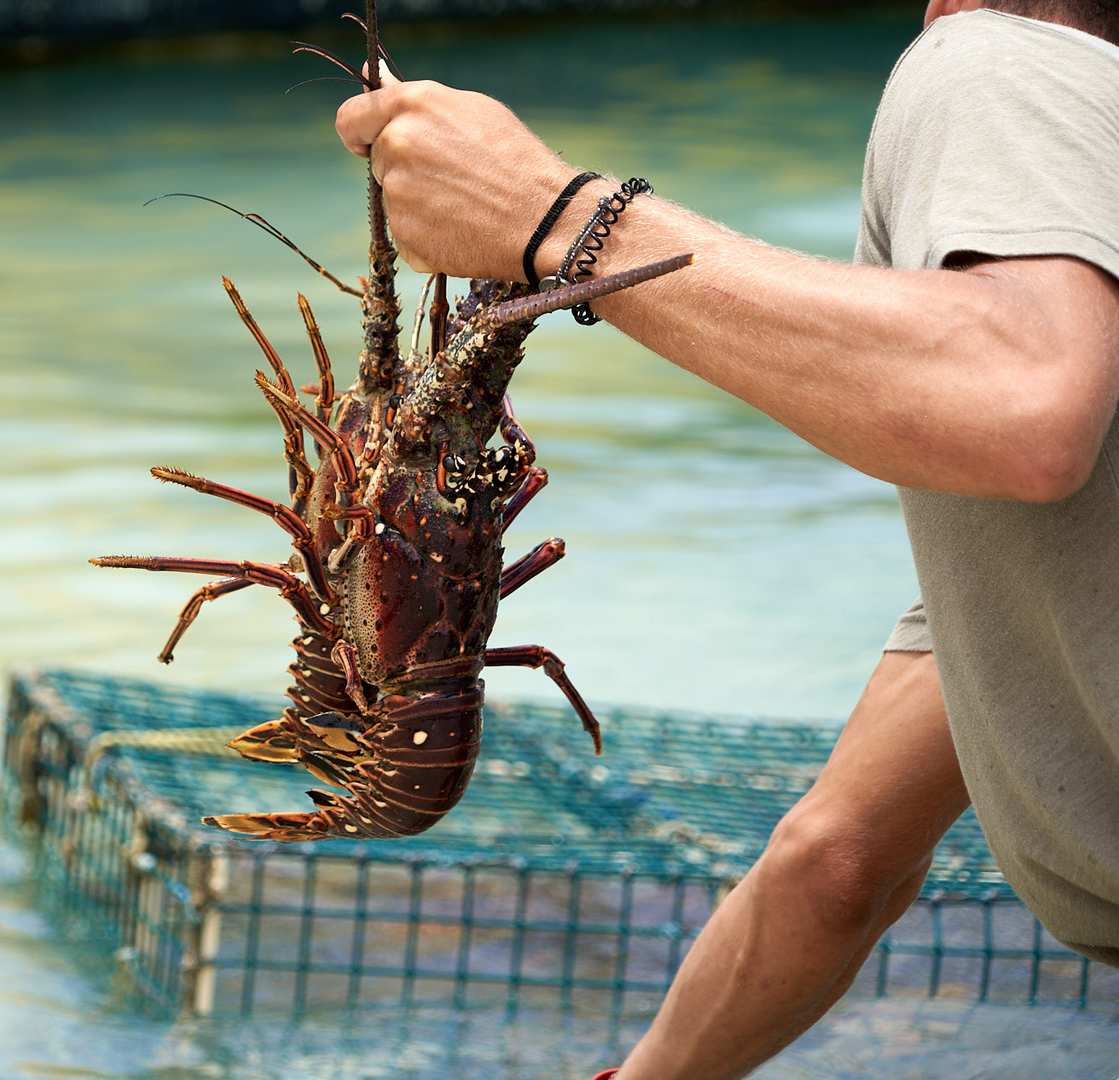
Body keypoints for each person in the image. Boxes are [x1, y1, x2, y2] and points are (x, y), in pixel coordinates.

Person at [335, 0, 1119, 1076]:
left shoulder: (993, 51)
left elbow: (1023, 403)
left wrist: (557, 217)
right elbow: (837, 858)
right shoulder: (1047, 587)